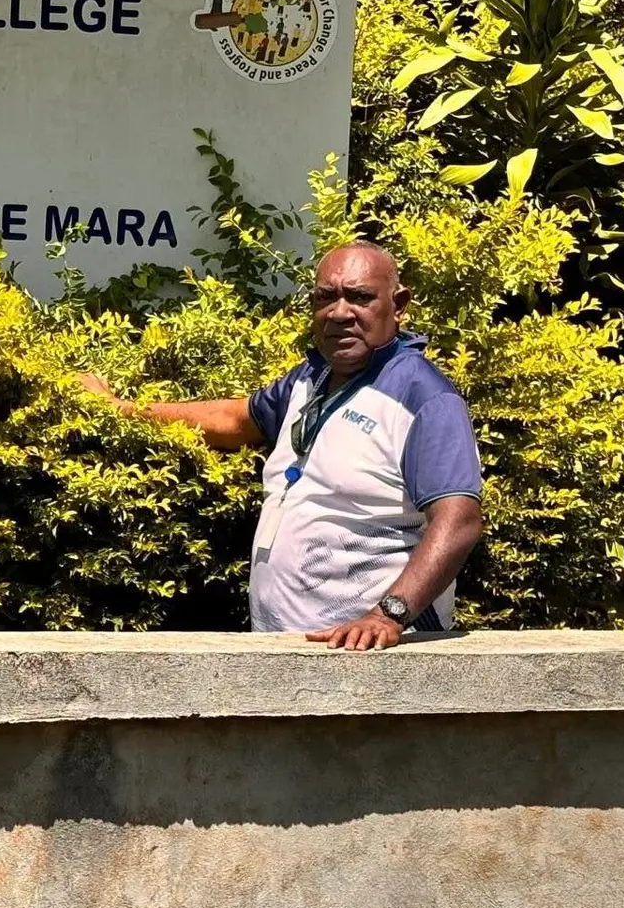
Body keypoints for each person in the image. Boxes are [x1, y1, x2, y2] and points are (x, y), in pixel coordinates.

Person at [80, 241, 482, 651]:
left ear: (398, 305)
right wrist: (122, 410)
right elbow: (231, 420)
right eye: (326, 298)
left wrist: (389, 615)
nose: (340, 313)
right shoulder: (311, 379)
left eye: (360, 298)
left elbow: (459, 521)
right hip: (287, 649)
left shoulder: (424, 398)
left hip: (372, 656)